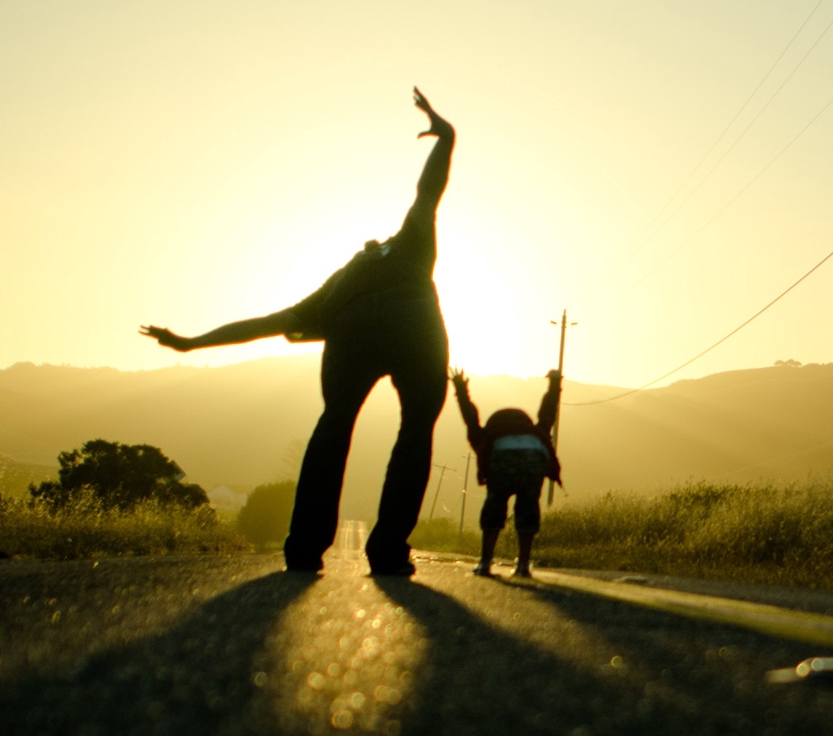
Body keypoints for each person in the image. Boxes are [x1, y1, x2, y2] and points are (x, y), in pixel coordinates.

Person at [141, 89, 455, 576]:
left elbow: (264, 326)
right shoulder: (411, 243)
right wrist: (446, 136)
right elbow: (428, 190)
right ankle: (388, 548)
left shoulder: (338, 284)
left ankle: (305, 548)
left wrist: (191, 342)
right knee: (415, 431)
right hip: (414, 318)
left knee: (334, 425)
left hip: (350, 326)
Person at [453, 368, 562, 578]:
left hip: (500, 458)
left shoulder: (486, 434)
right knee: (528, 508)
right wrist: (555, 384)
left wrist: (460, 388)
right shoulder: (534, 431)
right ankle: (522, 565)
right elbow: (548, 411)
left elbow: (469, 416)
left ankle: (485, 564)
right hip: (534, 456)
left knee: (494, 507)